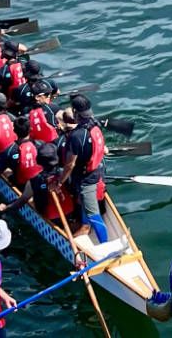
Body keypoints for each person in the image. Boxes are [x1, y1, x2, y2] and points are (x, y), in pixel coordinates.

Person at [59, 93, 111, 243]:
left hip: (86, 179)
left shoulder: (76, 136)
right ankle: (85, 224)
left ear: (75, 113)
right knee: (82, 202)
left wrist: (60, 181)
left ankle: (105, 245)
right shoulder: (96, 124)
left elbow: (70, 165)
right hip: (97, 171)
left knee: (94, 214)